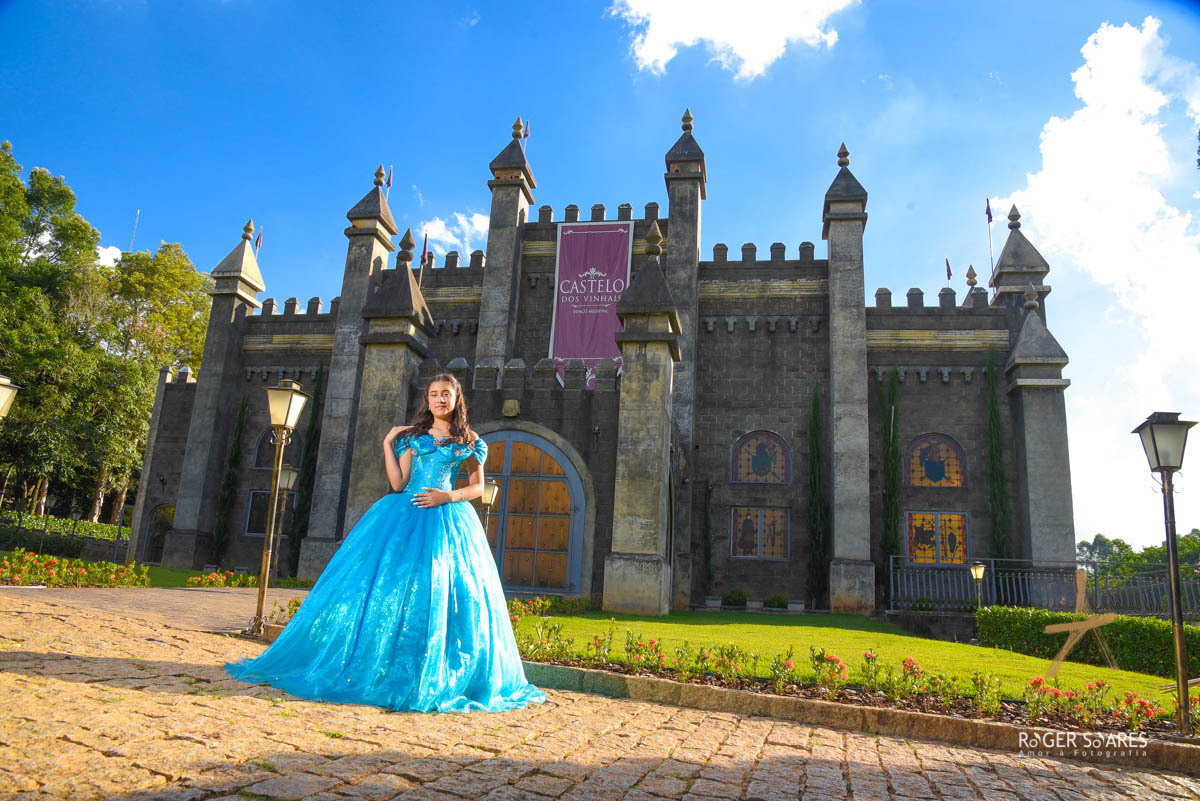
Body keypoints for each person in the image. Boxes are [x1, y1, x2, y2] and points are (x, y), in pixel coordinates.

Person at [225, 372, 546, 713]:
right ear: (427, 399)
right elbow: (397, 483)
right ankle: (383, 665)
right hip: (404, 516)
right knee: (392, 588)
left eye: (446, 394)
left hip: (447, 518)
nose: (439, 399)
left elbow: (478, 488)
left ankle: (439, 668)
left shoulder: (468, 440)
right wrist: (386, 445)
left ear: (456, 400)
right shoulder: (414, 437)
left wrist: (447, 496)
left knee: (442, 591)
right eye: (434, 394)